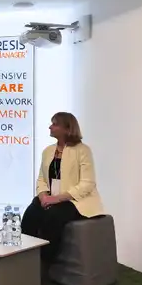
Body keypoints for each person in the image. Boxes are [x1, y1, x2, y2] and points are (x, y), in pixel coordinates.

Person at [21, 112, 104, 274]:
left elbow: (87, 184)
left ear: (67, 128)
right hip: (51, 198)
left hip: (76, 201)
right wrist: (43, 196)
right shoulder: (48, 151)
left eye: (55, 124)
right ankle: (23, 257)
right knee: (32, 212)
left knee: (53, 217)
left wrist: (57, 199)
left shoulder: (83, 151)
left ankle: (44, 264)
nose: (50, 127)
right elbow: (41, 179)